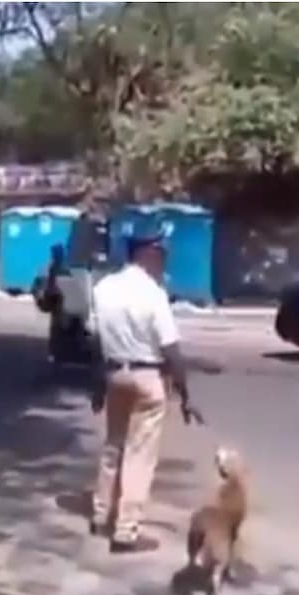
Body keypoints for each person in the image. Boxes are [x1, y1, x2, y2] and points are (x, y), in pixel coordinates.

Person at [87, 229, 204, 554]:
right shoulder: (153, 293)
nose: (164, 260)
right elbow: (171, 349)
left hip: (115, 374)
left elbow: (95, 340)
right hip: (148, 378)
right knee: (139, 455)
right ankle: (126, 532)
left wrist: (98, 383)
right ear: (148, 254)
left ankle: (100, 515)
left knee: (113, 447)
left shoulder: (103, 288)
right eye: (161, 253)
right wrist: (186, 395)